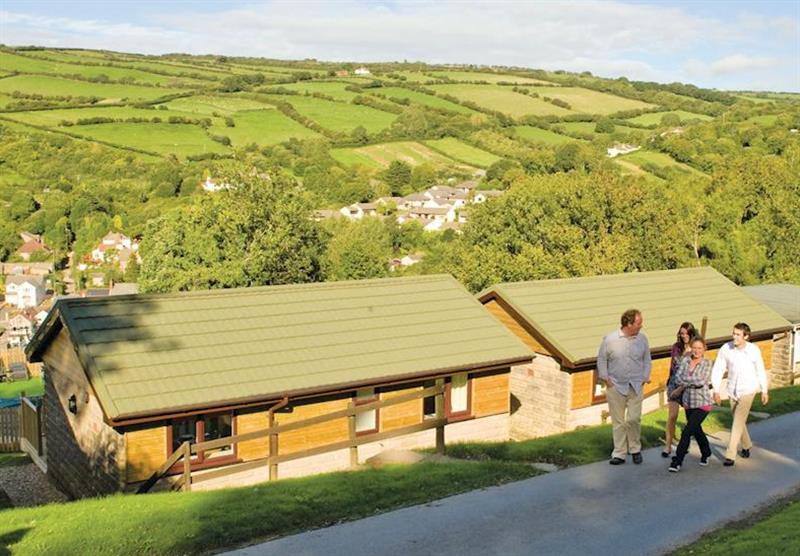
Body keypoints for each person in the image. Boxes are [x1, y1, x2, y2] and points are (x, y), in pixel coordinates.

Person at [597, 308, 652, 465]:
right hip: (615, 386)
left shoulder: (642, 339)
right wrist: (606, 378)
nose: (641, 326)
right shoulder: (610, 339)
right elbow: (601, 360)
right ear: (628, 324)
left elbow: (647, 359)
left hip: (635, 385)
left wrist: (645, 376)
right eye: (638, 323)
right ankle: (619, 453)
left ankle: (635, 449)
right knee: (618, 421)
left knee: (634, 419)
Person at [711, 322, 769, 467]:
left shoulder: (753, 350)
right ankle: (747, 445)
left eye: (738, 334)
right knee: (739, 421)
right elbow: (718, 368)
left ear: (746, 336)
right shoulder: (726, 349)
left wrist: (764, 390)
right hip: (732, 390)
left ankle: (730, 455)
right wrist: (716, 390)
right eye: (734, 333)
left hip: (748, 390)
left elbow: (760, 370)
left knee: (737, 422)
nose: (734, 337)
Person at [668, 336, 713, 472]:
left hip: (702, 403)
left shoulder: (707, 363)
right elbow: (677, 377)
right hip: (688, 402)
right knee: (697, 430)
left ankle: (677, 460)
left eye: (699, 348)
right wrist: (688, 382)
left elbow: (701, 381)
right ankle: (706, 452)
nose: (697, 351)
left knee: (687, 431)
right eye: (694, 348)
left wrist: (684, 383)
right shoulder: (685, 360)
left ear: (704, 348)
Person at [664, 322, 697, 458]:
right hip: (674, 383)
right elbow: (672, 366)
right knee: (672, 416)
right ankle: (668, 446)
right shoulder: (676, 347)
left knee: (689, 418)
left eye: (686, 333)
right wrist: (670, 382)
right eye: (682, 333)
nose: (684, 336)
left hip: (688, 385)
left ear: (691, 334)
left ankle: (684, 443)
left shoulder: (696, 348)